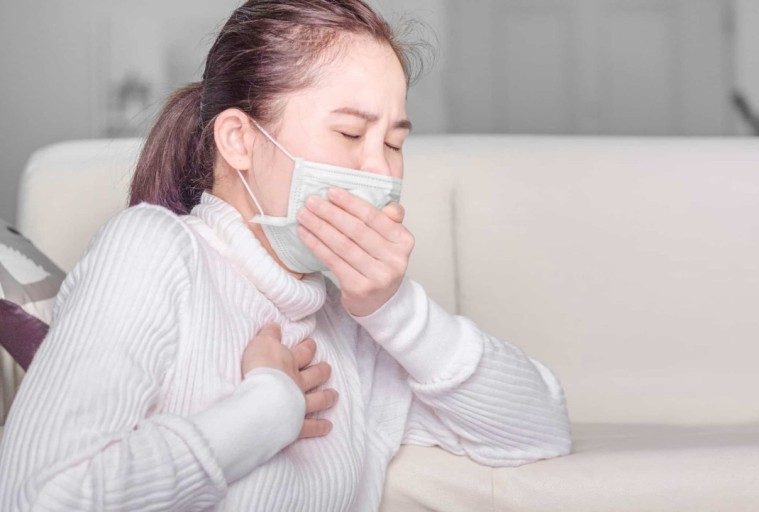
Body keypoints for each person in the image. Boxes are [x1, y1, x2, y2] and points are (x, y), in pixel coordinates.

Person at [0, 1, 572, 510]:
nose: (381, 170)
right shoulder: (152, 251)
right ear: (239, 140)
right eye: (350, 134)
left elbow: (536, 432)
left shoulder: (352, 331)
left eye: (394, 143)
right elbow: (40, 497)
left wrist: (395, 309)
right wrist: (266, 409)